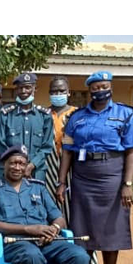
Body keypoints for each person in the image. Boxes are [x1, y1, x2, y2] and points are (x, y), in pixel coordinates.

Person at [56, 71, 133, 264]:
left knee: (111, 229)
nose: (99, 90)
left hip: (111, 176)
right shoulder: (77, 117)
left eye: (103, 86)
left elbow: (132, 151)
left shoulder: (125, 114)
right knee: (82, 227)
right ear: (89, 90)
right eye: (94, 87)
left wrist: (128, 183)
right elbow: (67, 151)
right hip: (83, 177)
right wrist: (61, 181)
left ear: (110, 87)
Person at [0, 73, 53, 182]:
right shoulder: (5, 113)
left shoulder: (44, 115)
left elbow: (46, 147)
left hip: (36, 172)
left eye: (28, 87)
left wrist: (31, 165)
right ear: (16, 90)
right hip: (10, 171)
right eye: (20, 88)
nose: (23, 91)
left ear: (35, 89)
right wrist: (18, 166)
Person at [44, 76, 77, 221]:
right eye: (54, 91)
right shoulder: (43, 114)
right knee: (49, 204)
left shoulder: (77, 114)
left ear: (69, 92)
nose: (58, 94)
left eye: (62, 91)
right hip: (48, 167)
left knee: (70, 204)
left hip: (72, 167)